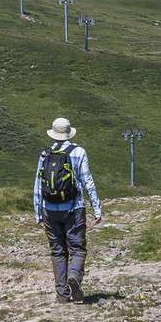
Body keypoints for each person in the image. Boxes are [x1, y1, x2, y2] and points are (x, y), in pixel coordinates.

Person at [33, 117, 103, 304]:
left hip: (49, 209)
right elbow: (87, 180)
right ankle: (74, 275)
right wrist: (97, 208)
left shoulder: (44, 154)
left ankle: (62, 295)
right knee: (78, 249)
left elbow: (38, 185)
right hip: (74, 208)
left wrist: (38, 213)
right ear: (69, 132)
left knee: (57, 251)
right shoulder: (78, 152)